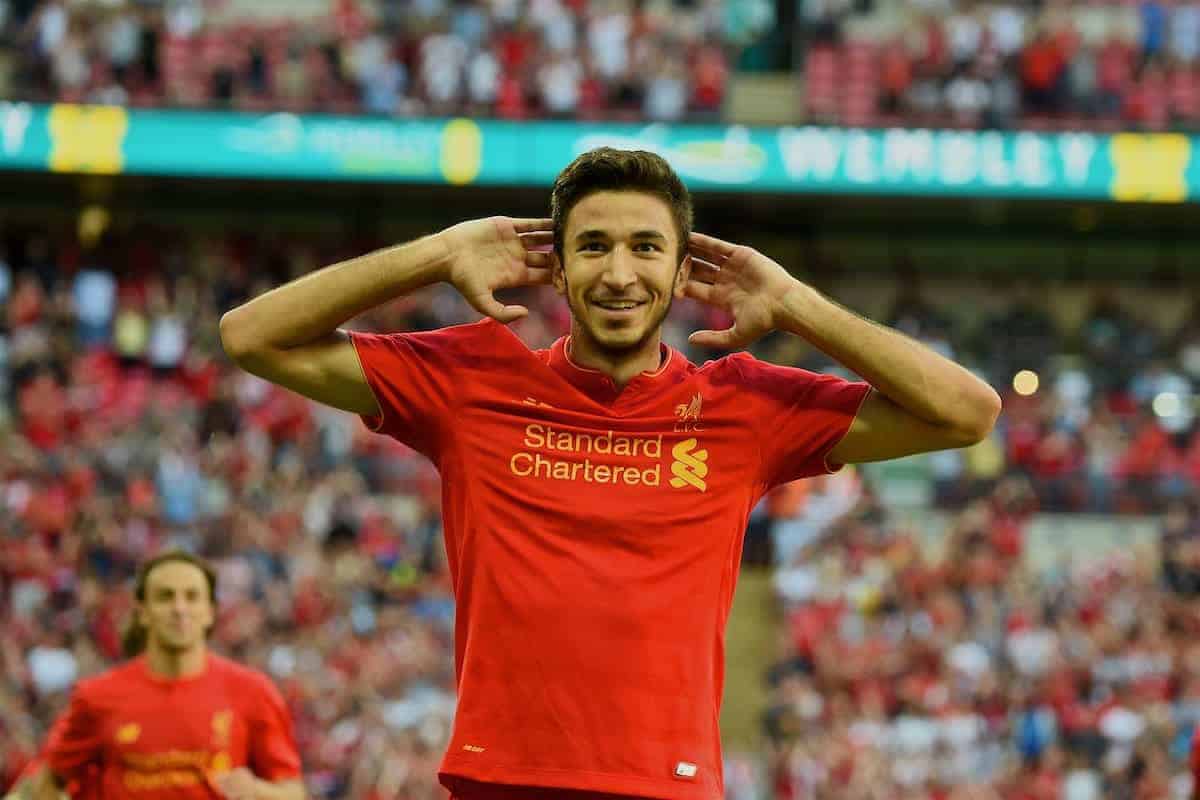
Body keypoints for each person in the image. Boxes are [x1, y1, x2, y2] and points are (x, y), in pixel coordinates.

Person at [219, 147, 1001, 800]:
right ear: (556, 271)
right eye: (592, 246)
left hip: (670, 783)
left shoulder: (743, 403)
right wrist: (437, 254)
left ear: (680, 270)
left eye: (646, 247)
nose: (618, 272)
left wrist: (796, 304)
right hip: (501, 779)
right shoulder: (471, 380)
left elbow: (966, 411)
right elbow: (252, 336)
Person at [5, 552, 304, 800]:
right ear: (143, 611)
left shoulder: (253, 692)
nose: (179, 608)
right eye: (165, 597)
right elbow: (46, 782)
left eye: (191, 597)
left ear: (210, 611)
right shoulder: (96, 698)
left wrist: (256, 791)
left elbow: (294, 792)